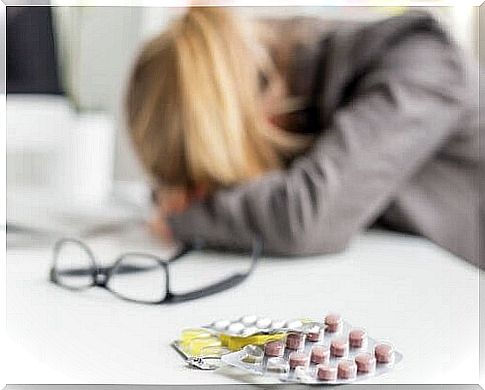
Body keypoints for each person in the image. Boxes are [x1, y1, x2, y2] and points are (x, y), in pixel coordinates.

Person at [125, 7, 479, 266]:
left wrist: (186, 216)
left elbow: (309, 217)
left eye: (216, 182)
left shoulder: (423, 60)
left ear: (258, 118)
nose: (220, 193)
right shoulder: (293, 92)